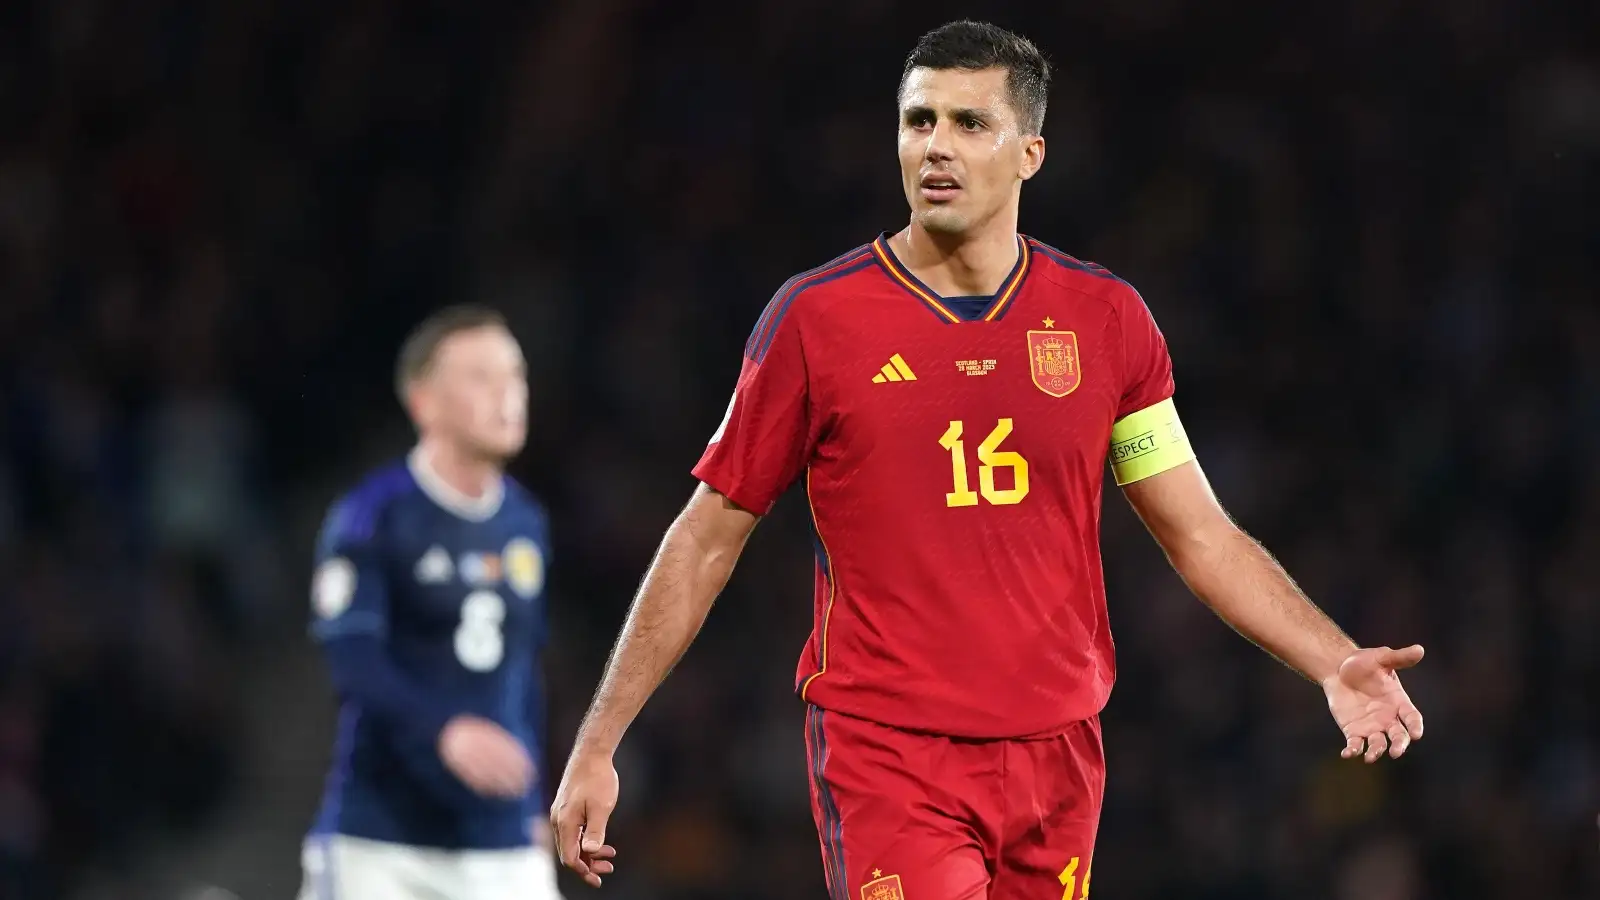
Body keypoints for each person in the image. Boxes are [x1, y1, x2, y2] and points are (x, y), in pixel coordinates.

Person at [550, 20, 1426, 900]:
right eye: (919, 120)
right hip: (892, 754)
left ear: (1030, 154)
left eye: (970, 123)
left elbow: (1201, 534)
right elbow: (706, 537)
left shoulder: (1107, 320)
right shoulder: (815, 321)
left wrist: (1331, 658)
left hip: (1059, 756)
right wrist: (599, 739)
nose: (936, 145)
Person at [299, 306, 563, 900]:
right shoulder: (373, 515)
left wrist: (534, 802)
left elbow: (522, 670)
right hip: (382, 840)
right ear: (424, 403)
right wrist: (442, 730)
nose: (508, 395)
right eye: (481, 377)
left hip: (499, 839)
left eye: (515, 375)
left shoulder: (525, 522)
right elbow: (352, 661)